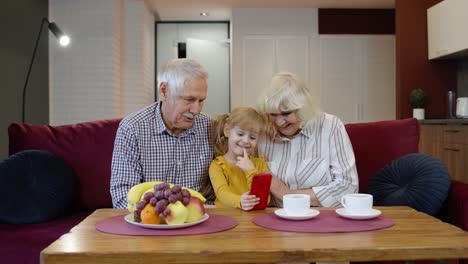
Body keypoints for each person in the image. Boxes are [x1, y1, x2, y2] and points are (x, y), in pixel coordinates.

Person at [110, 58, 214, 209]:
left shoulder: (210, 128)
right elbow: (122, 196)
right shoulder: (132, 128)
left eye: (201, 101)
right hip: (150, 221)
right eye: (189, 99)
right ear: (164, 91)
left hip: (201, 218)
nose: (197, 110)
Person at [257, 72, 358, 208]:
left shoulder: (331, 126)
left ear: (303, 107)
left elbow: (348, 187)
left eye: (287, 113)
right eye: (273, 115)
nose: (280, 122)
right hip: (271, 219)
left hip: (320, 219)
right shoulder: (262, 131)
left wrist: (287, 194)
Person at [209, 107, 269, 210]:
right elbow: (222, 193)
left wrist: (250, 171)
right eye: (240, 134)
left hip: (253, 218)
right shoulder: (218, 165)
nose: (246, 140)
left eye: (252, 137)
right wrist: (240, 201)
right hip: (226, 217)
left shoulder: (260, 164)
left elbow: (265, 199)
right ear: (227, 131)